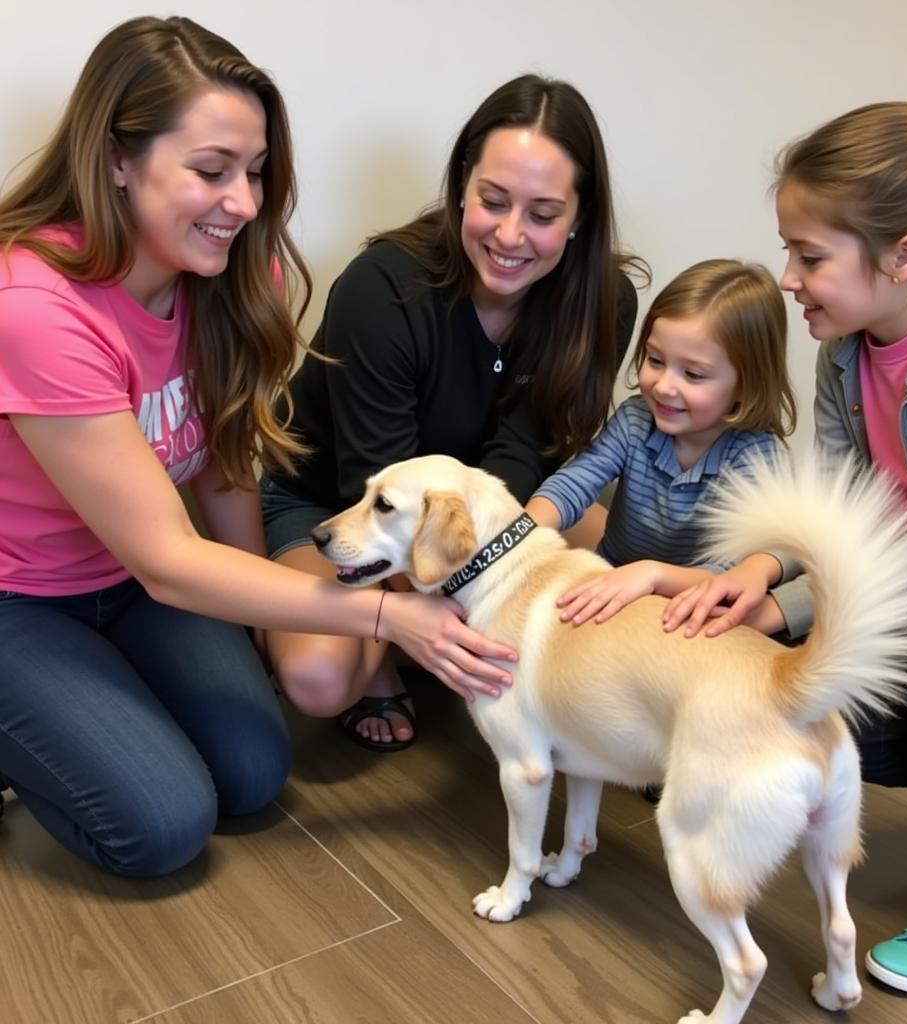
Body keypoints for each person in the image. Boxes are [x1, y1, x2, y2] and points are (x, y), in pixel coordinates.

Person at [0, 15, 515, 879]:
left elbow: (223, 461)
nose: (242, 202)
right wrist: (387, 616)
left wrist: (261, 619)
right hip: (21, 598)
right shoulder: (36, 305)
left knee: (252, 772)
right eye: (211, 171)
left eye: (256, 171)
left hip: (125, 587)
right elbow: (169, 560)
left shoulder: (232, 276)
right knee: (162, 826)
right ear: (118, 160)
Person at [669, 102, 907, 997]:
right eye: (789, 250)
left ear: (905, 258)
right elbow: (835, 513)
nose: (788, 278)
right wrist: (761, 578)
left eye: (811, 257)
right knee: (792, 688)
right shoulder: (844, 354)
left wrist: (800, 602)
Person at [261, 74, 643, 751]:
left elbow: (528, 455)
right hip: (340, 503)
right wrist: (442, 597)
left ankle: (432, 640)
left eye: (544, 214)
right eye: (492, 201)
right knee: (321, 678)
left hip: (492, 506)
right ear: (463, 183)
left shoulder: (603, 301)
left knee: (619, 583)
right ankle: (384, 635)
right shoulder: (381, 287)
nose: (510, 234)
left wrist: (471, 572)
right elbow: (371, 476)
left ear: (580, 215)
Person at [524, 258, 795, 630]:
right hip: (611, 577)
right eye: (655, 360)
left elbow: (732, 573)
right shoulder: (636, 419)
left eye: (693, 374)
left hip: (688, 607)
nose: (664, 386)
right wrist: (522, 531)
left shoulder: (756, 456)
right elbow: (575, 481)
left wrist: (652, 576)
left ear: (746, 384)